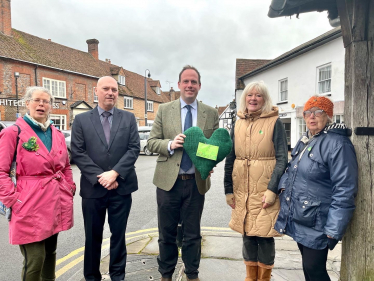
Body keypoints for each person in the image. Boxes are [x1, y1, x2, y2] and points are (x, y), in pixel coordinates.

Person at [147, 65, 219, 281]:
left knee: (192, 234)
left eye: (194, 82)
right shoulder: (164, 109)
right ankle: (166, 274)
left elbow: (215, 147)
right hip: (168, 182)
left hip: (196, 183)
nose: (190, 85)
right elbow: (151, 143)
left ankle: (192, 274)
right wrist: (170, 144)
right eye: (186, 81)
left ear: (199, 86)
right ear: (179, 85)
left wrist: (207, 158)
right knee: (166, 233)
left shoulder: (211, 113)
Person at [274, 95, 358, 281]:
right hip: (302, 218)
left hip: (319, 222)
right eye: (307, 113)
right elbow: (291, 169)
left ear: (328, 115)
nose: (312, 117)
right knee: (308, 269)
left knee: (315, 271)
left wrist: (333, 229)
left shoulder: (338, 144)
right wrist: (282, 188)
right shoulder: (307, 140)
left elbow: (344, 189)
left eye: (318, 112)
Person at [0, 86, 75, 281]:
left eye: (46, 101)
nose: (41, 104)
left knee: (50, 253)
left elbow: (66, 166)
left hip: (55, 200)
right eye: (36, 100)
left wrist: (69, 186)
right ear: (27, 103)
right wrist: (13, 199)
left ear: (51, 106)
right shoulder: (13, 133)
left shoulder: (57, 134)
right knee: (35, 259)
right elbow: (1, 171)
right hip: (28, 203)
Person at [71, 76, 140, 281]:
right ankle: (92, 276)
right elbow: (78, 152)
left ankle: (118, 275)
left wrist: (115, 173)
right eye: (106, 89)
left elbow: (134, 148)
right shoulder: (82, 120)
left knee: (119, 236)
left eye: (114, 89)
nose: (110, 93)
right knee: (93, 237)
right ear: (96, 91)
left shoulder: (128, 118)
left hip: (122, 187)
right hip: (93, 189)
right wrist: (102, 177)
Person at [224, 81, 288, 281]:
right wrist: (228, 189)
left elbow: (282, 158)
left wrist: (272, 189)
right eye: (250, 95)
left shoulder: (274, 122)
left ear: (265, 99)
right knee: (247, 234)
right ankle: (250, 277)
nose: (253, 99)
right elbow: (230, 157)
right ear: (245, 99)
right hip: (242, 189)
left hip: (264, 189)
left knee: (265, 236)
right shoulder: (239, 122)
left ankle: (264, 278)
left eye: (258, 95)